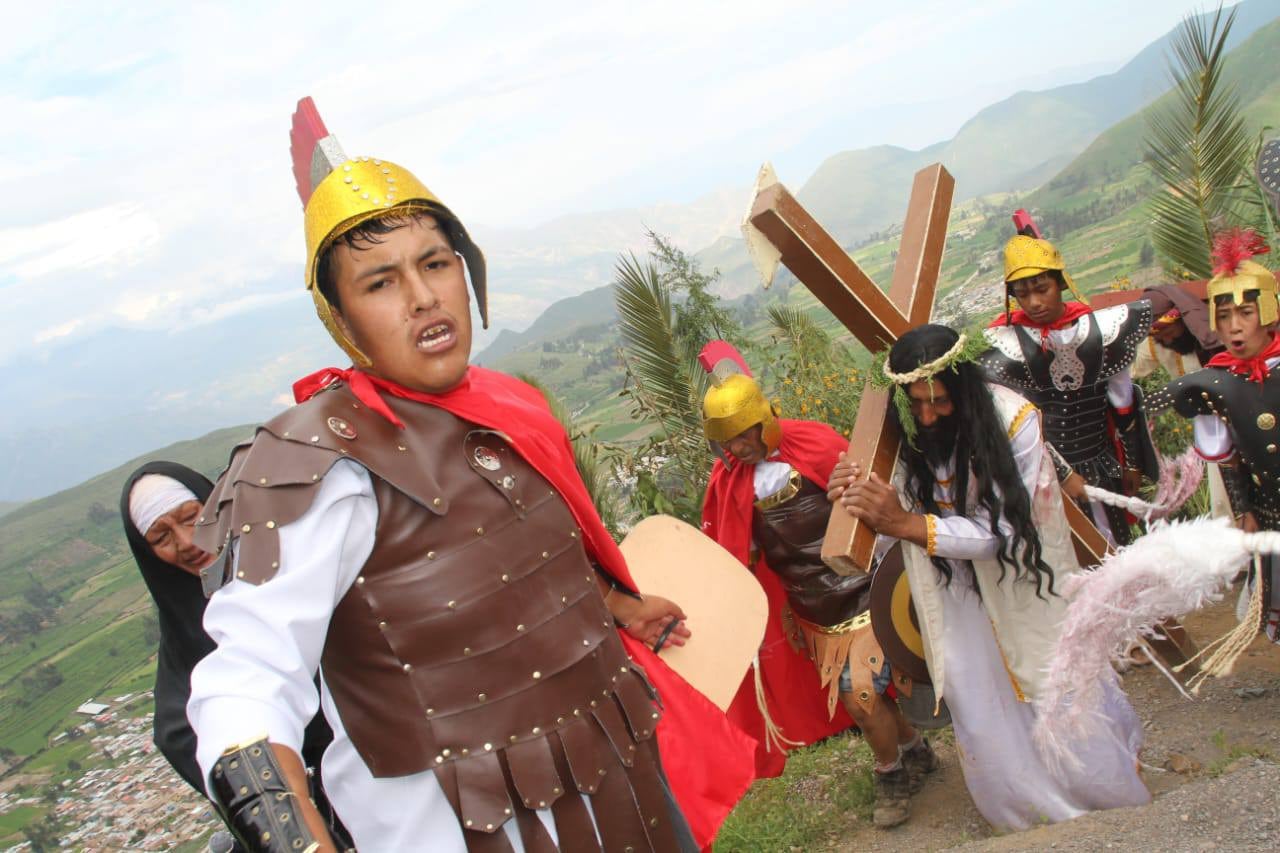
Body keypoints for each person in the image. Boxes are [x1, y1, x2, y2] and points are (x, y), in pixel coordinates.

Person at [185, 99, 753, 852]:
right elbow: (246, 679)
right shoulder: (321, 462)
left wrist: (617, 605)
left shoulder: (501, 404)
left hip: (621, 774)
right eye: (380, 282)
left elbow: (508, 563)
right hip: (464, 826)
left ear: (466, 269)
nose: (423, 297)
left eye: (434, 262)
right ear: (341, 317)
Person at [828, 324, 1150, 831]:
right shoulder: (903, 432)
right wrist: (857, 498)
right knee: (979, 696)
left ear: (964, 388)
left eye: (939, 402)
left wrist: (907, 523)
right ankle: (1023, 808)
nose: (928, 415)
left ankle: (1099, 793)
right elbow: (889, 523)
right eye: (916, 404)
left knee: (1051, 681)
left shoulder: (1014, 420)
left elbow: (1000, 533)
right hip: (951, 589)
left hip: (1026, 580)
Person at [699, 366, 936, 829]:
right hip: (813, 610)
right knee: (866, 697)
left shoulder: (816, 444)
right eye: (726, 441)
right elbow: (739, 551)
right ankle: (914, 750)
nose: (737, 449)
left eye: (742, 437)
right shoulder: (729, 481)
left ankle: (889, 775)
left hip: (864, 591)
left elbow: (876, 502)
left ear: (762, 421)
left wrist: (851, 494)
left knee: (859, 697)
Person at [120, 463, 347, 849]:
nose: (187, 541)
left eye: (192, 517)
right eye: (161, 537)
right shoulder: (185, 654)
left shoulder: (305, 570)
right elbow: (185, 736)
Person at [980, 235, 1157, 546]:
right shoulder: (1005, 349)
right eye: (1022, 294)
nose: (1034, 302)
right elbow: (1019, 426)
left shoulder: (1104, 332)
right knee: (1074, 553)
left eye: (1041, 289)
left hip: (1103, 461)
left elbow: (1123, 404)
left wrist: (1131, 462)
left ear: (1060, 283)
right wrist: (1062, 474)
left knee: (1120, 544)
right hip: (1043, 473)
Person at [1147, 229, 1280, 642]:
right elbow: (1231, 458)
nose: (1234, 327)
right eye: (1224, 316)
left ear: (1269, 310)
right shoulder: (1216, 384)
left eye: (1245, 313)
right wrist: (1244, 511)